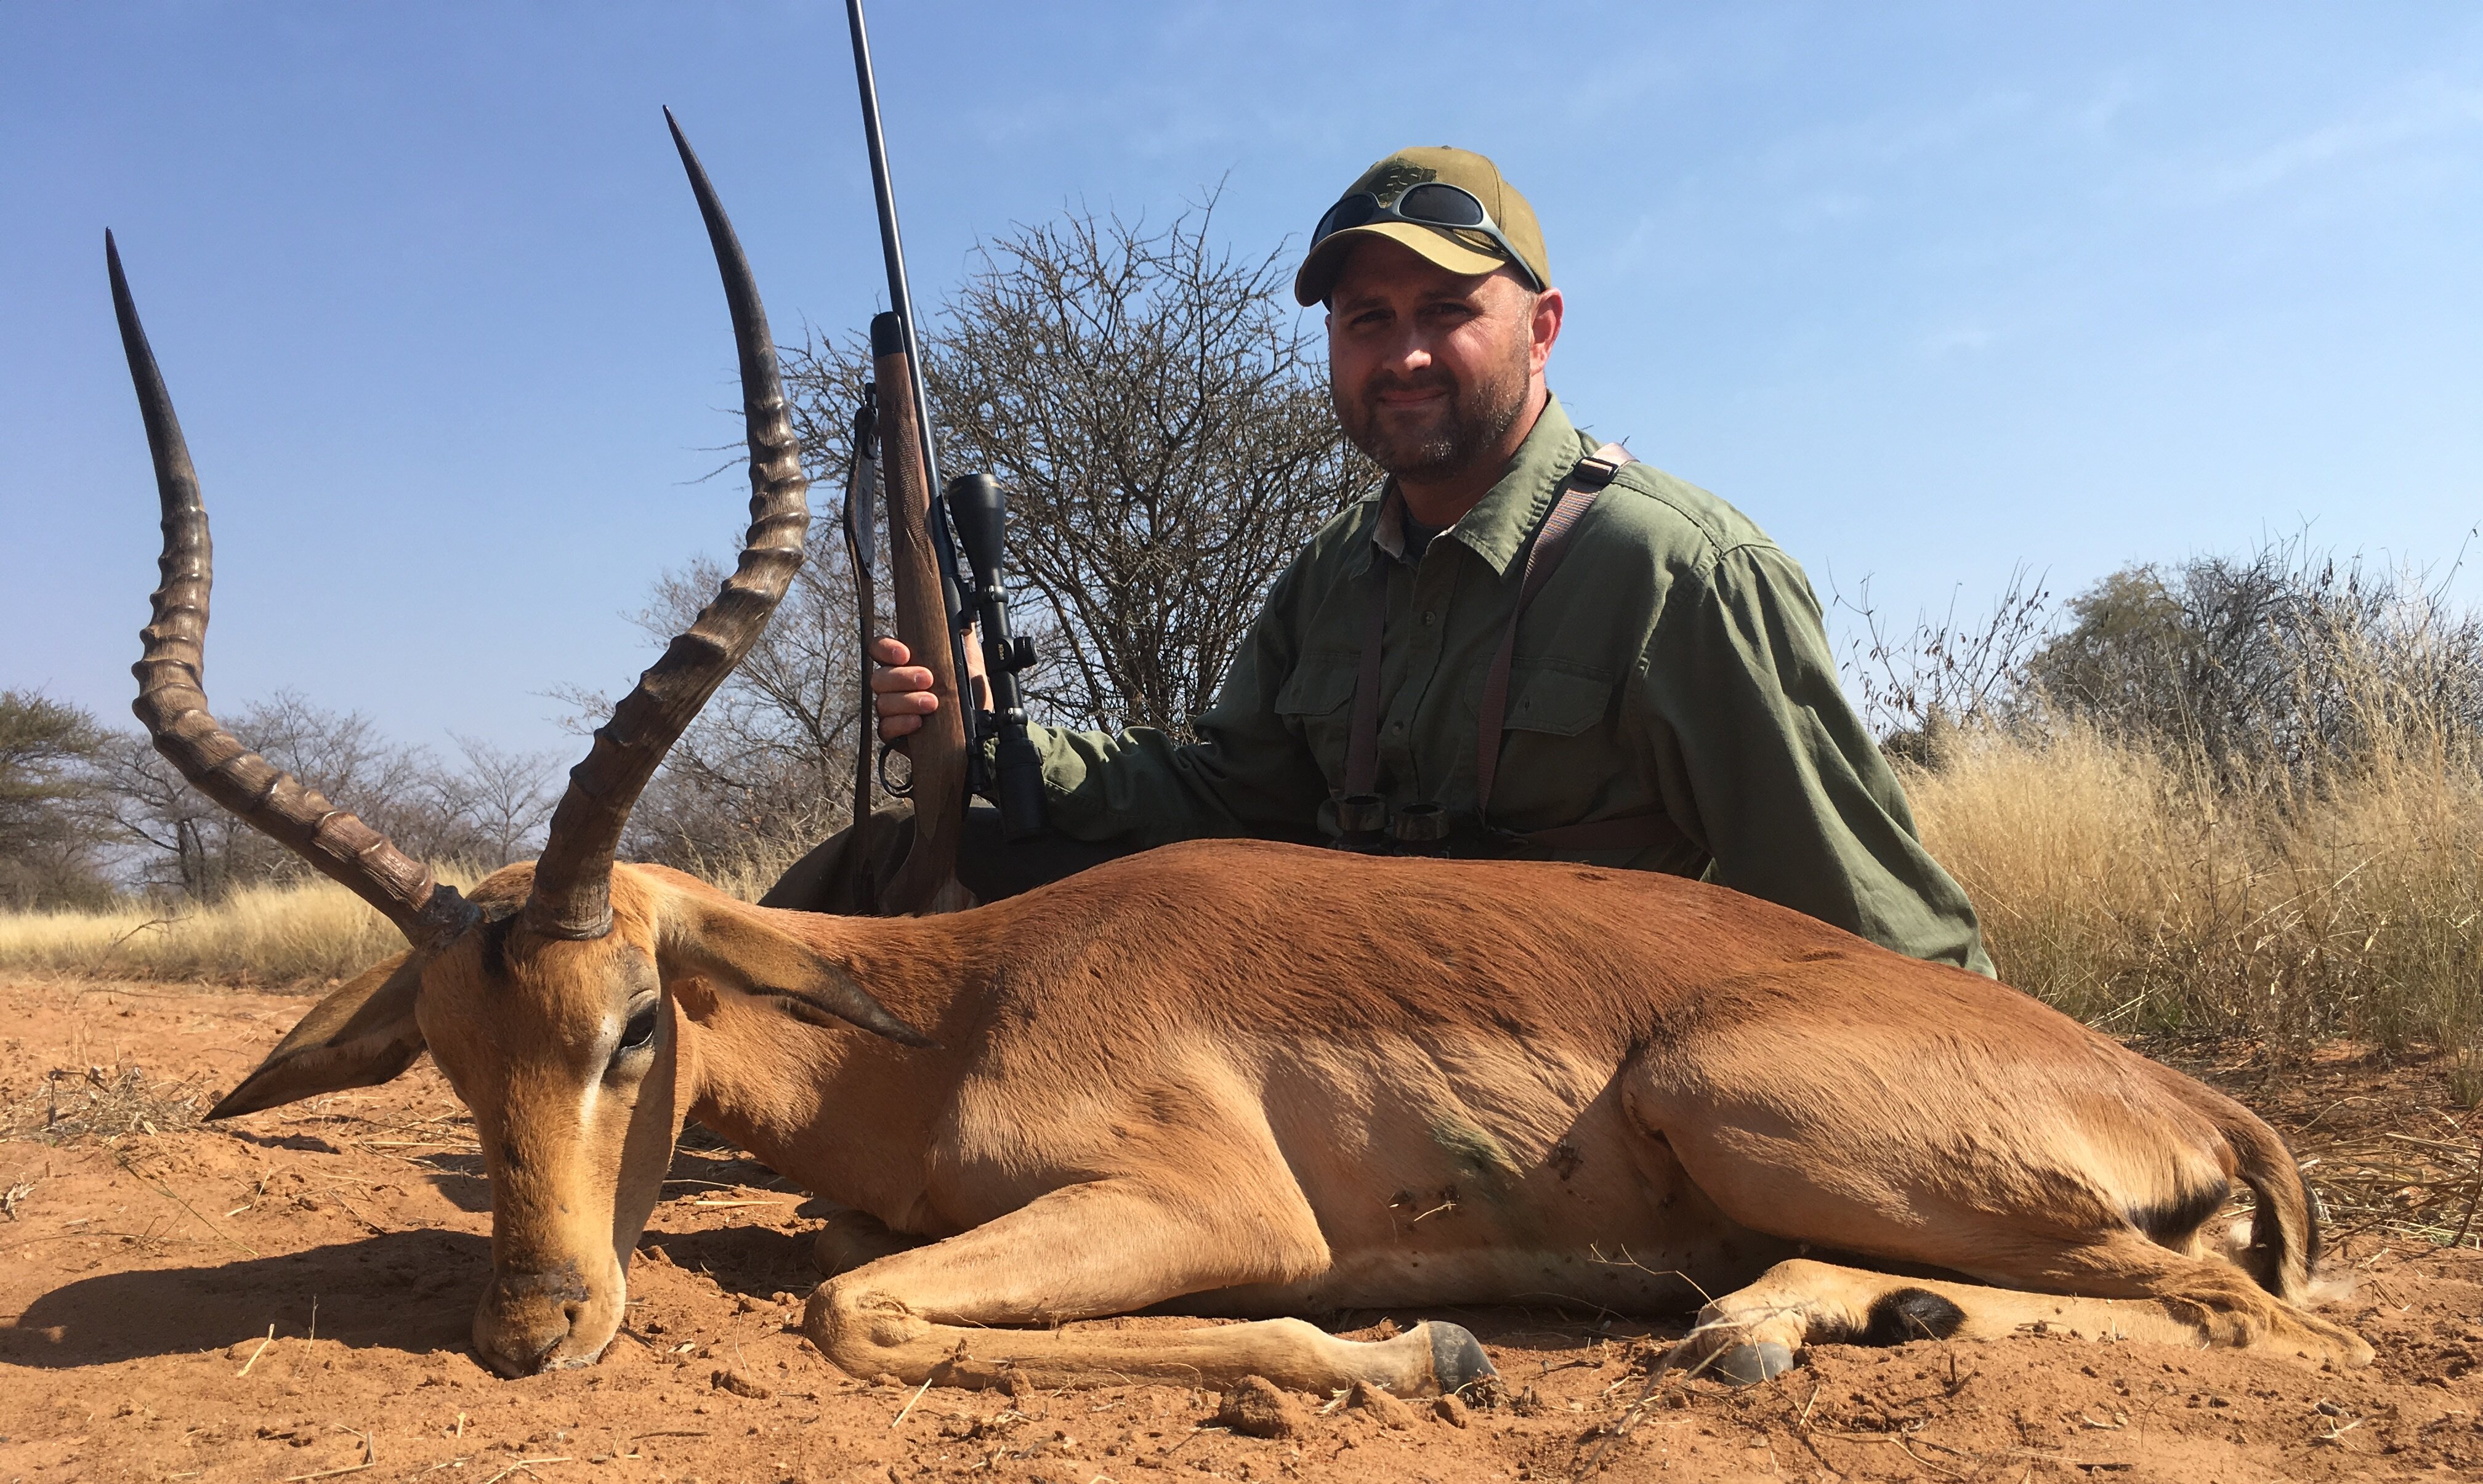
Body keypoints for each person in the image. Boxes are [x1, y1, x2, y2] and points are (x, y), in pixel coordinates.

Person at [769, 147, 1990, 975]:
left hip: (1578, 1077)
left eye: (1447, 310)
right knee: (890, 867)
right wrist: (991, 737)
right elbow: (1228, 793)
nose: (1402, 356)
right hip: (1348, 1033)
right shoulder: (1329, 578)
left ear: (1542, 326)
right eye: (1366, 322)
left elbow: (1883, 932)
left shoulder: (1683, 576)